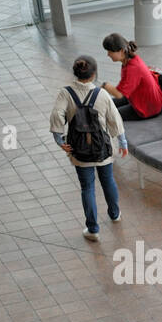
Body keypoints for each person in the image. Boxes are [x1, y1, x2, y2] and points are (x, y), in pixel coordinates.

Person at [49, 55, 128, 242]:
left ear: (75, 73)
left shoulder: (65, 93)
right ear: (94, 74)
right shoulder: (102, 94)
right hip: (102, 148)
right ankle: (115, 214)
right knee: (108, 180)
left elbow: (56, 116)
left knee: (87, 187)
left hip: (79, 149)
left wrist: (59, 141)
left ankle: (92, 229)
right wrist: (122, 142)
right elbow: (115, 120)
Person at [100, 33, 162, 121]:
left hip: (148, 108)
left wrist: (105, 86)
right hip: (139, 97)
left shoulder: (132, 68)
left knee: (110, 115)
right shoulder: (129, 59)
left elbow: (119, 94)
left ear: (121, 51)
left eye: (110, 51)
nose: (108, 55)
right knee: (107, 104)